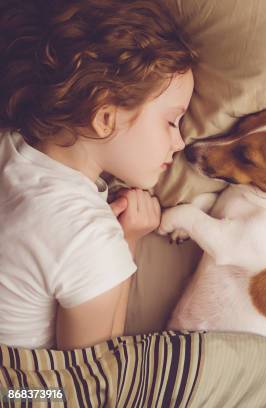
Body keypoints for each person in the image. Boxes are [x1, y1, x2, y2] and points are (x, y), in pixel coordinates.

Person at [0, 0, 197, 350]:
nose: (180, 142)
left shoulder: (9, 144)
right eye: (170, 121)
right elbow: (90, 378)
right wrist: (128, 242)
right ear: (104, 117)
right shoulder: (89, 239)